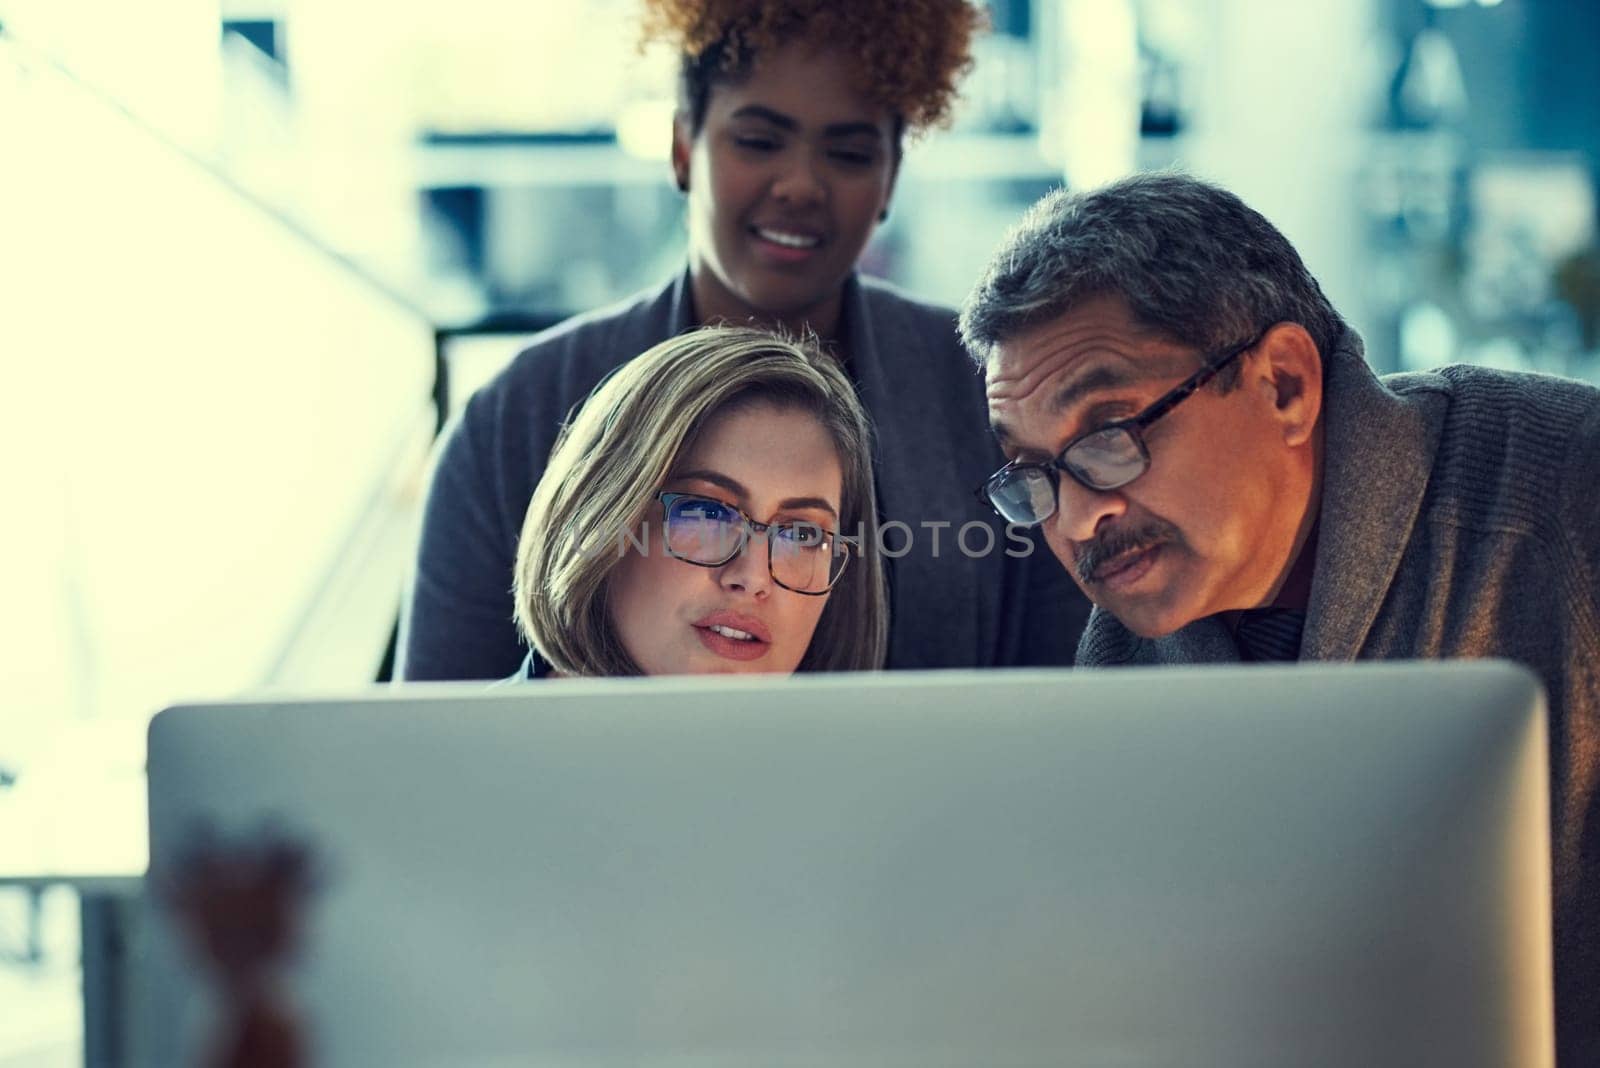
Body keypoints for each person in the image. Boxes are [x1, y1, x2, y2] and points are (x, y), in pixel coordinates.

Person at [958, 171, 1599, 1063]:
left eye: (1108, 435)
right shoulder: (1119, 669)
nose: (1075, 519)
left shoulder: (1570, 494)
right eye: (1034, 473)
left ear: (1287, 385)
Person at [398, 0, 1090, 681]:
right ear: (681, 146)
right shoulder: (518, 414)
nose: (799, 185)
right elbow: (434, 745)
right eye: (758, 141)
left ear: (890, 180)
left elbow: (1065, 706)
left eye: (849, 153)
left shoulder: (990, 395)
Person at [512, 326, 886, 676]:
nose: (753, 578)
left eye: (802, 535)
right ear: (600, 514)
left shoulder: (875, 747)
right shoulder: (463, 744)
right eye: (707, 513)